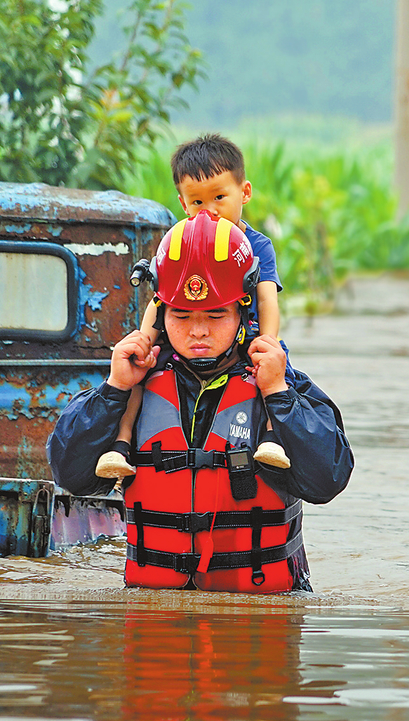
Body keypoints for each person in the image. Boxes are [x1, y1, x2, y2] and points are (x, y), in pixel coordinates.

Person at [47, 212, 353, 593]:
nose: (198, 331)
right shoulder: (131, 386)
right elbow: (70, 474)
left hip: (259, 624)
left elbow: (328, 480)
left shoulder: (278, 382)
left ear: (244, 310)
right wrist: (113, 389)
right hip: (151, 620)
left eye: (215, 313)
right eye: (181, 314)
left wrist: (279, 395)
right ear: (160, 310)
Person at [96, 133, 290, 478]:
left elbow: (266, 298)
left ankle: (273, 438)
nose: (210, 209)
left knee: (273, 376)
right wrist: (145, 339)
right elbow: (161, 298)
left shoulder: (258, 245)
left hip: (247, 334)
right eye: (198, 202)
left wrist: (269, 340)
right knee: (142, 374)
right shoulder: (179, 241)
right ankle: (121, 444)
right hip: (182, 340)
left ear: (244, 192)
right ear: (184, 204)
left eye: (219, 197)